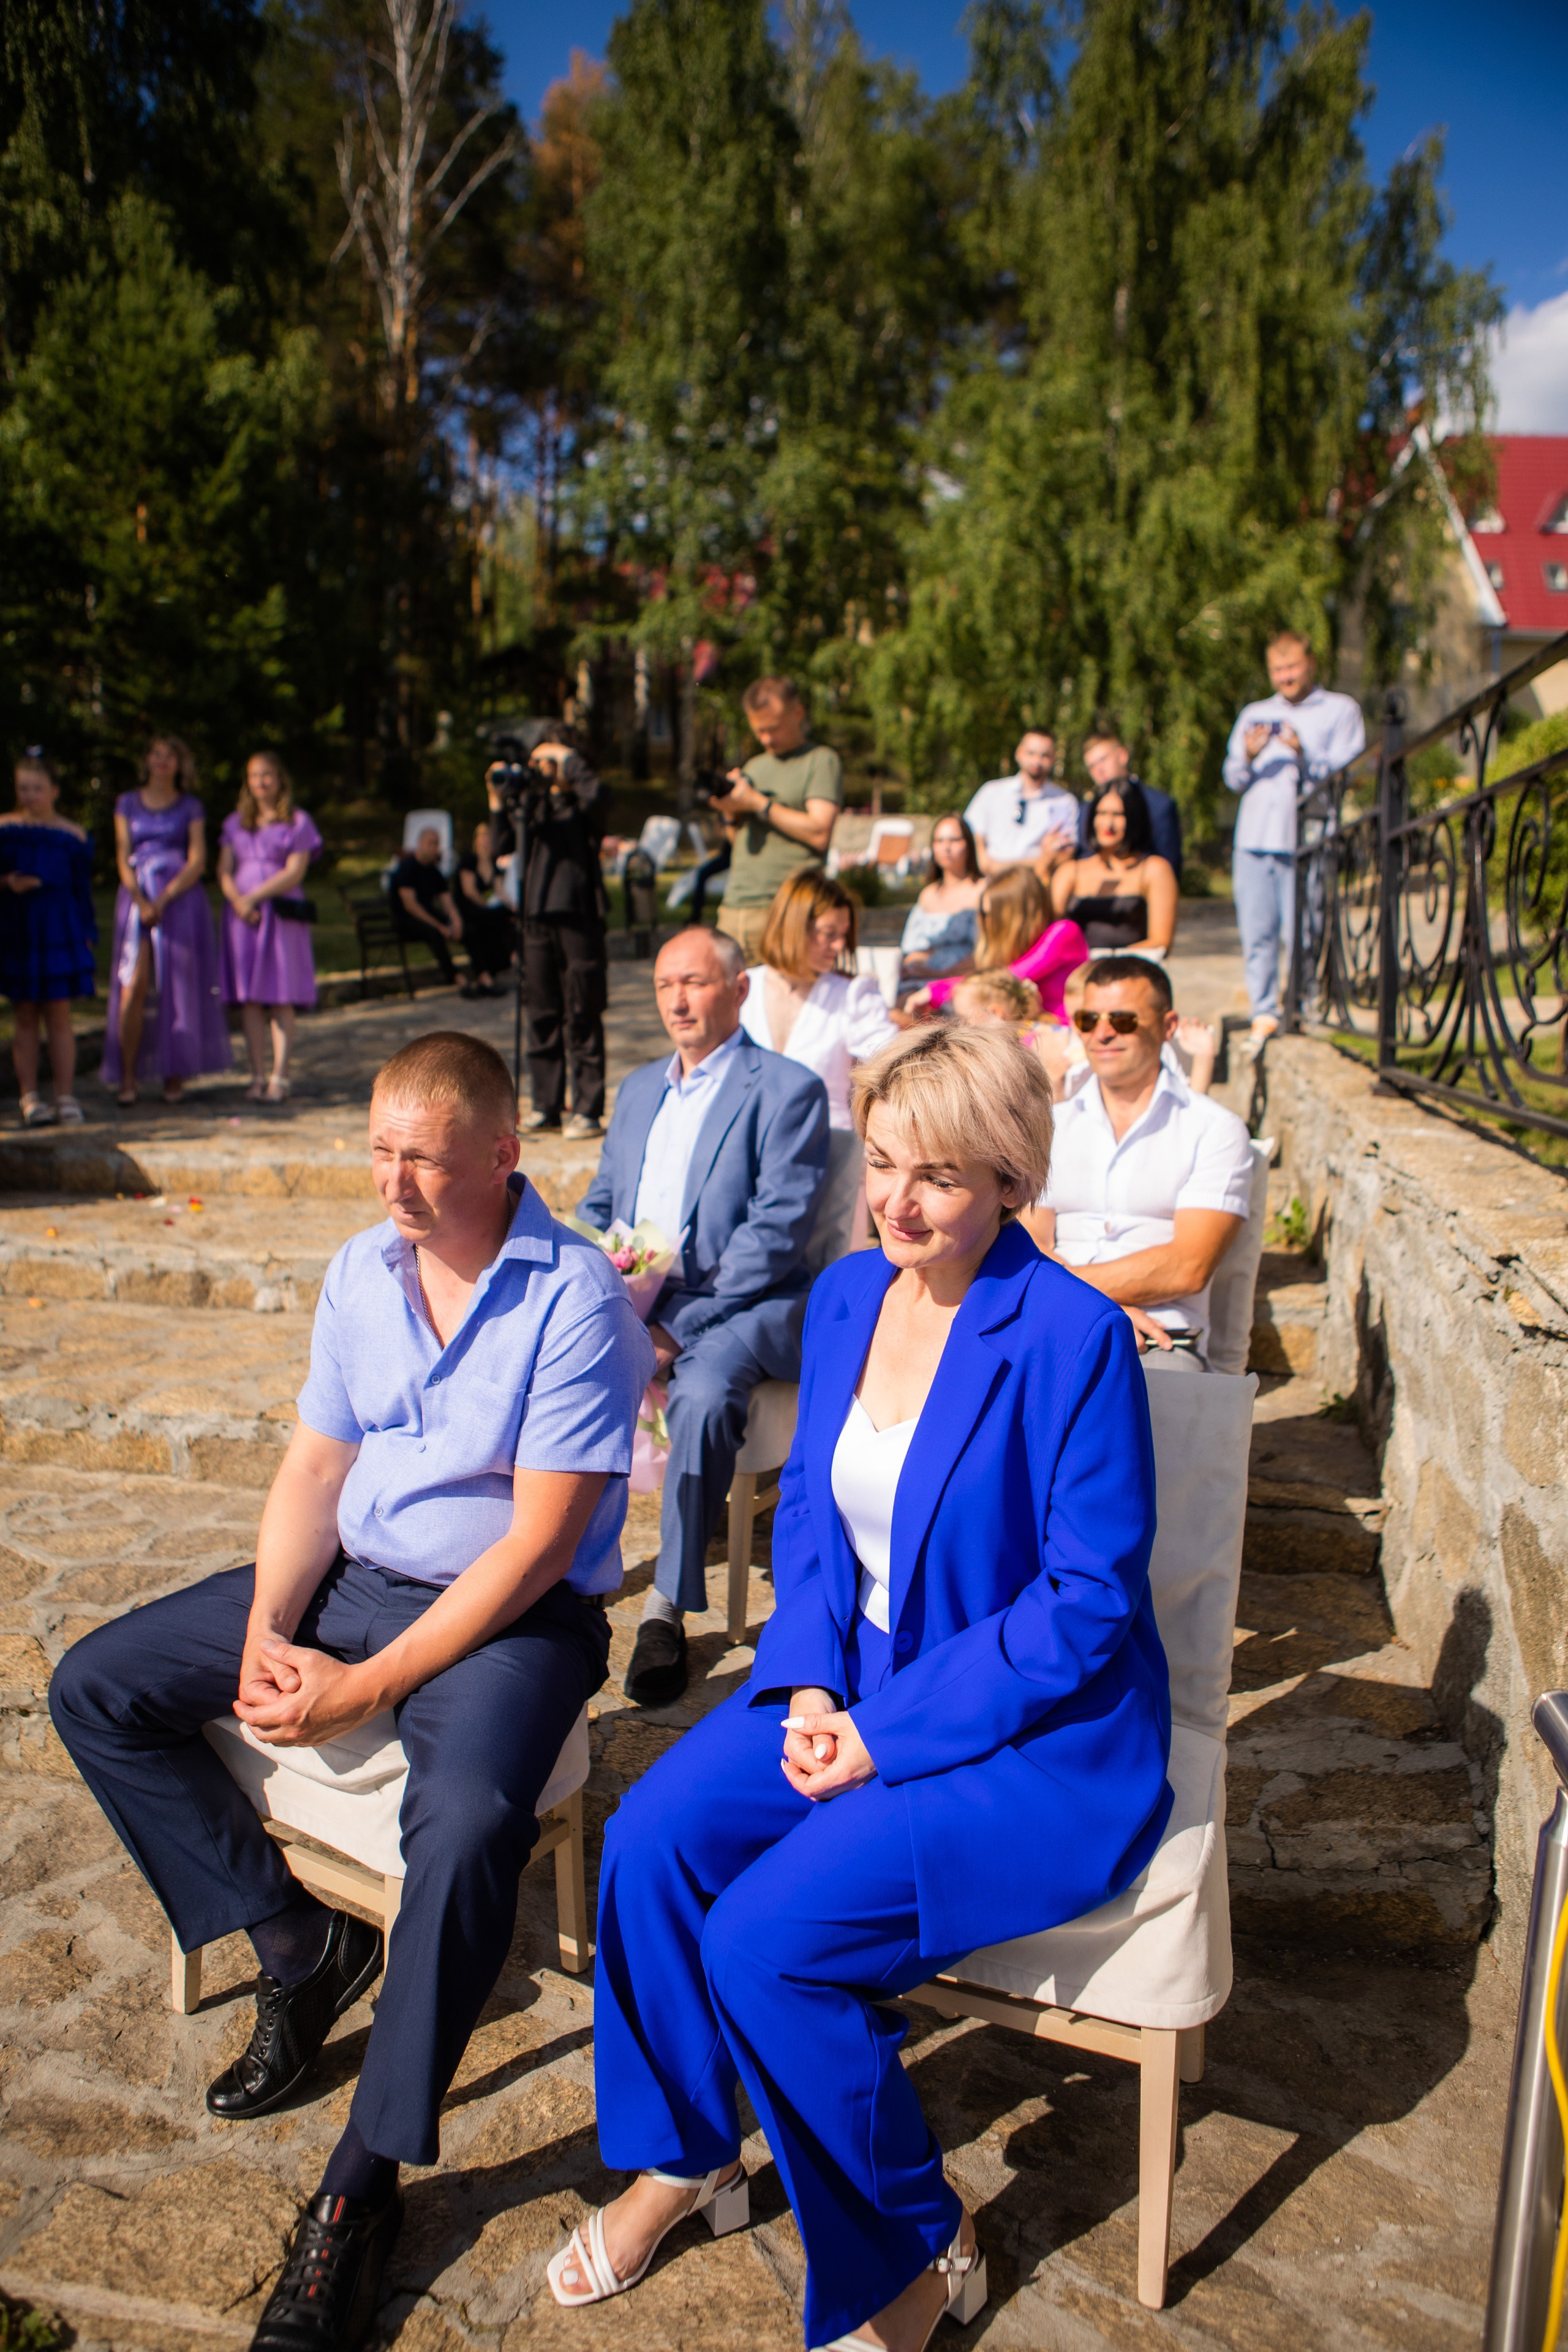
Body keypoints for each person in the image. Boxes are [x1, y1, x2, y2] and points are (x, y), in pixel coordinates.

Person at [556, 1023, 1172, 2352]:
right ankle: (689, 2154)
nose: (898, 1201)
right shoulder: (846, 1296)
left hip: (1036, 1741)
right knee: (652, 1841)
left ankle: (917, 2227)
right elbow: (814, 1533)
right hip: (854, 1681)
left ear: (1010, 1176)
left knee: (766, 1943)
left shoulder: (1071, 1339)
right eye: (883, 1163)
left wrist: (878, 1735)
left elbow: (1081, 1609)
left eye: (938, 1175)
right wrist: (805, 1684)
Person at [49, 1031, 654, 2352]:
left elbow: (537, 1546)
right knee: (96, 1686)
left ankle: (361, 2182)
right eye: (378, 1152)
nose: (392, 1182)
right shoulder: (359, 1271)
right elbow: (316, 1473)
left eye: (419, 1159)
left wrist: (364, 1687)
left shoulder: (575, 1303)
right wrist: (271, 1628)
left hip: (511, 1622)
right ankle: (294, 1942)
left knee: (470, 1812)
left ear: (500, 1155)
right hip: (349, 1579)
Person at [578, 927, 829, 1707]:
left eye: (694, 981)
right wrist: (588, 1285)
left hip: (753, 1300)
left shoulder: (787, 1089)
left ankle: (666, 1609)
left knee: (701, 1390)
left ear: (740, 988)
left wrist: (673, 1328)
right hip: (639, 1294)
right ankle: (570, 1572)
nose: (677, 1000)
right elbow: (599, 1204)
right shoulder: (637, 1090)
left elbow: (776, 1233)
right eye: (664, 985)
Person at [1023, 955, 1254, 1368]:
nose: (1103, 1033)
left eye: (1124, 1020)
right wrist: (1093, 1311)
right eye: (1088, 1020)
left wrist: (1076, 1301)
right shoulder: (1050, 1125)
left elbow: (1188, 1267)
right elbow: (1028, 1243)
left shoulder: (1214, 1129)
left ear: (1168, 1027)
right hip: (1049, 1320)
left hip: (1158, 1337)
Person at [739, 870, 897, 1268]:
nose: (839, 944)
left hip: (831, 1157)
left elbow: (891, 1060)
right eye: (828, 933)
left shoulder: (851, 993)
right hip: (748, 1154)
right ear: (794, 926)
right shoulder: (744, 988)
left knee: (828, 1269)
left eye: (844, 934)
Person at [1223, 629, 1366, 1039]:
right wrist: (1248, 756)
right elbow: (1232, 776)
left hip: (1307, 839)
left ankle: (1304, 1007)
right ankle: (1264, 1011)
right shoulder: (1255, 713)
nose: (1285, 676)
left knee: (1305, 931)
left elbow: (1347, 773)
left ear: (1311, 665)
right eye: (1277, 669)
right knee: (1257, 932)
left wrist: (1304, 751)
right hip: (1253, 839)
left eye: (1292, 667)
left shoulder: (1340, 710)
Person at [486, 726, 611, 1139]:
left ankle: (588, 1108)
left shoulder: (583, 803)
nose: (542, 767)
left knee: (582, 1010)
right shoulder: (532, 805)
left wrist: (570, 765)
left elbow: (599, 798)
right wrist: (497, 803)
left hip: (578, 913)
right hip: (536, 914)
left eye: (549, 759)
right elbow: (498, 848)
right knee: (541, 1011)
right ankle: (547, 1104)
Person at [102, 735, 232, 1107]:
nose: (162, 761)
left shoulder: (190, 806)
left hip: (179, 901)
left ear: (179, 763)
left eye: (170, 755)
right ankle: (128, 1075)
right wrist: (141, 900)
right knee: (134, 986)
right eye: (156, 753)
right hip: (137, 899)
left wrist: (166, 898)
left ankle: (175, 1075)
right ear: (146, 760)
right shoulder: (127, 803)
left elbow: (198, 859)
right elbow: (123, 855)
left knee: (179, 987)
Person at [710, 677, 843, 962]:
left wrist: (758, 803)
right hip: (735, 907)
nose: (767, 739)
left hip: (788, 908)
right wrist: (730, 812)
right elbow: (738, 843)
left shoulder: (820, 760)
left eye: (774, 729)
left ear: (798, 713)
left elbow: (820, 833)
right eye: (759, 731)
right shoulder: (754, 767)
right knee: (732, 1004)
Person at [218, 752, 323, 1103]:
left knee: (280, 995)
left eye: (267, 775)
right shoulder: (235, 823)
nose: (261, 782)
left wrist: (255, 898)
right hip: (242, 919)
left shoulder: (297, 821)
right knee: (249, 998)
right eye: (254, 776)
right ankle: (257, 1075)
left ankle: (280, 1075)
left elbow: (295, 871)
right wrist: (238, 902)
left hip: (279, 915)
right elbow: (224, 869)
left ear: (280, 779)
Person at [0, 749, 97, 1126]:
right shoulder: (5, 830)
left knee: (59, 1014)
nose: (29, 796)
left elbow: (82, 892)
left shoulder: (71, 836)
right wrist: (8, 882)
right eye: (23, 788)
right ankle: (29, 1097)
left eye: (37, 788)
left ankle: (66, 1095)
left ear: (54, 790)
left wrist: (87, 933)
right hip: (19, 931)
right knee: (24, 1014)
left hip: (59, 931)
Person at [919, 865, 1088, 1023]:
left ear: (1016, 915)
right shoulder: (1014, 949)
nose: (985, 921)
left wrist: (936, 991)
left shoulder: (1064, 933)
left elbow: (1004, 980)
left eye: (990, 913)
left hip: (1062, 1034)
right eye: (983, 913)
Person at [1050, 776, 1178, 956]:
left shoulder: (1155, 870)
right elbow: (1049, 933)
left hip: (1130, 972)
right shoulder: (1070, 871)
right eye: (1101, 813)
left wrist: (1106, 962)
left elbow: (1161, 942)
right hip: (1077, 974)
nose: (1108, 824)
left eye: (1118, 815)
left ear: (1135, 818)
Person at [962, 729, 1079, 875]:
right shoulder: (991, 792)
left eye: (1045, 755)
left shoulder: (1064, 802)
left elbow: (1065, 855)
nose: (1037, 761)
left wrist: (1004, 867)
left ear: (1054, 758)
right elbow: (971, 834)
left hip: (1036, 884)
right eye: (1031, 753)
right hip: (990, 882)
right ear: (1019, 753)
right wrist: (985, 863)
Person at [1077, 726, 1184, 879]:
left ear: (1122, 756)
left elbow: (1170, 866)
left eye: (1103, 760)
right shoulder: (1086, 809)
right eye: (1092, 766)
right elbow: (1085, 855)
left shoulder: (1158, 805)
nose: (1098, 769)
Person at [897, 813, 983, 985]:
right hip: (923, 977)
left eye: (954, 840)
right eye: (940, 841)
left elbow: (986, 952)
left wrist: (941, 974)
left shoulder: (983, 891)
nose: (946, 848)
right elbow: (915, 950)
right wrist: (914, 967)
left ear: (969, 845)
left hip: (964, 980)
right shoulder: (928, 895)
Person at [389, 827, 463, 987]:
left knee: (470, 928)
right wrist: (439, 926)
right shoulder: (407, 868)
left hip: (426, 915)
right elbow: (410, 906)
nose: (433, 848)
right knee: (435, 932)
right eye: (430, 843)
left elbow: (447, 900)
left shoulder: (434, 872)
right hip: (405, 920)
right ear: (420, 843)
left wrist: (456, 920)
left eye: (436, 844)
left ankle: (485, 974)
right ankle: (455, 977)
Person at [454, 819, 515, 997]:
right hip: (469, 910)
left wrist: (512, 906)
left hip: (484, 912)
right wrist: (487, 907)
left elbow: (500, 890)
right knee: (484, 926)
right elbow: (469, 891)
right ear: (477, 839)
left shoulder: (492, 862)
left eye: (489, 836)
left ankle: (496, 970)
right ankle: (491, 974)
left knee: (506, 917)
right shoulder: (469, 859)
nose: (487, 840)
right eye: (483, 836)